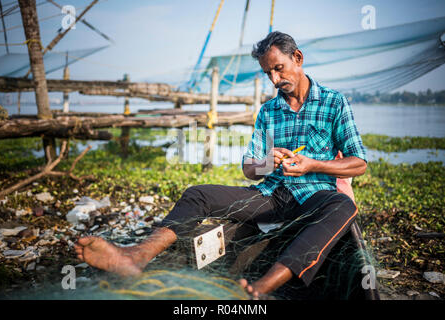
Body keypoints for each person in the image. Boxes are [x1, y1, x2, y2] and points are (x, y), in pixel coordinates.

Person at [74, 31, 367, 299]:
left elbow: (358, 163)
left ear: (298, 58)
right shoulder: (269, 110)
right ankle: (136, 256)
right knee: (197, 194)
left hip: (315, 196)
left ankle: (265, 285)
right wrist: (267, 161)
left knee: (343, 206)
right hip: (272, 196)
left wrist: (312, 165)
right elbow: (250, 169)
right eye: (268, 73)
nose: (275, 80)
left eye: (279, 68)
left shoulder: (334, 103)